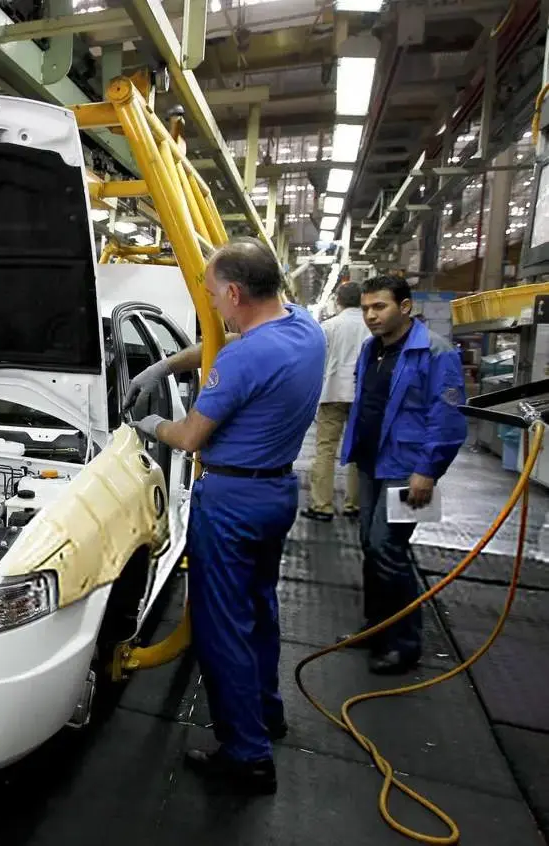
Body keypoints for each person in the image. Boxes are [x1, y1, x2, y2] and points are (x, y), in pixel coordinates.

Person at [125, 237, 324, 795]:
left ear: (235, 293)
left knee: (220, 629)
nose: (212, 304)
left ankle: (246, 755)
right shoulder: (303, 328)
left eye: (213, 295)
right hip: (275, 493)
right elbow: (238, 341)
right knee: (258, 611)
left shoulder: (242, 360)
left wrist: (150, 425)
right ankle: (267, 713)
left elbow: (190, 436)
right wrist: (168, 363)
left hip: (232, 503)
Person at [339, 275, 466, 675]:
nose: (371, 316)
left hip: (408, 468)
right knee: (369, 544)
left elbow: (447, 419)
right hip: (371, 461)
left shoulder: (436, 352)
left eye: (380, 307)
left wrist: (428, 471)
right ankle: (376, 626)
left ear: (405, 307)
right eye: (366, 308)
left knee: (387, 548)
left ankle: (404, 644)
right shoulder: (370, 348)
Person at [302, 281, 372, 522]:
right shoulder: (371, 326)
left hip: (332, 393)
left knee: (325, 449)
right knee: (359, 451)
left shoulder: (328, 327)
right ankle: (354, 504)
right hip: (362, 395)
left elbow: (316, 362)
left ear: (338, 301)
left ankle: (322, 505)